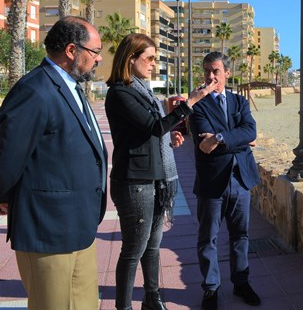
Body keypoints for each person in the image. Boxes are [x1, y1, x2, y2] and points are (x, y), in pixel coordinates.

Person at [0, 16, 108, 309]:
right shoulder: (35, 90)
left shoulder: (70, 87)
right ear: (72, 50)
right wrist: (6, 197)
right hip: (47, 231)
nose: (98, 59)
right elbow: (7, 154)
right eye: (94, 52)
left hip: (78, 228)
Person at [105, 33, 216, 310]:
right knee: (134, 249)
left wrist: (169, 140)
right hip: (134, 181)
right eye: (150, 58)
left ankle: (152, 299)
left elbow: (153, 131)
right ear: (131, 59)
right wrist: (190, 103)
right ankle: (124, 306)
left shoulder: (143, 90)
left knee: (152, 246)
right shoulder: (120, 92)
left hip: (155, 178)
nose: (154, 64)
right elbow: (153, 126)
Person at [190, 51, 261, 310]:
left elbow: (251, 132)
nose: (210, 76)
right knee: (208, 237)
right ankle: (211, 289)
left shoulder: (239, 102)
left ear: (226, 74)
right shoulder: (197, 104)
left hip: (240, 180)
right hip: (212, 181)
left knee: (240, 235)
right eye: (207, 71)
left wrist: (219, 138)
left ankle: (241, 282)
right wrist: (238, 139)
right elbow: (203, 144)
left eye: (216, 71)